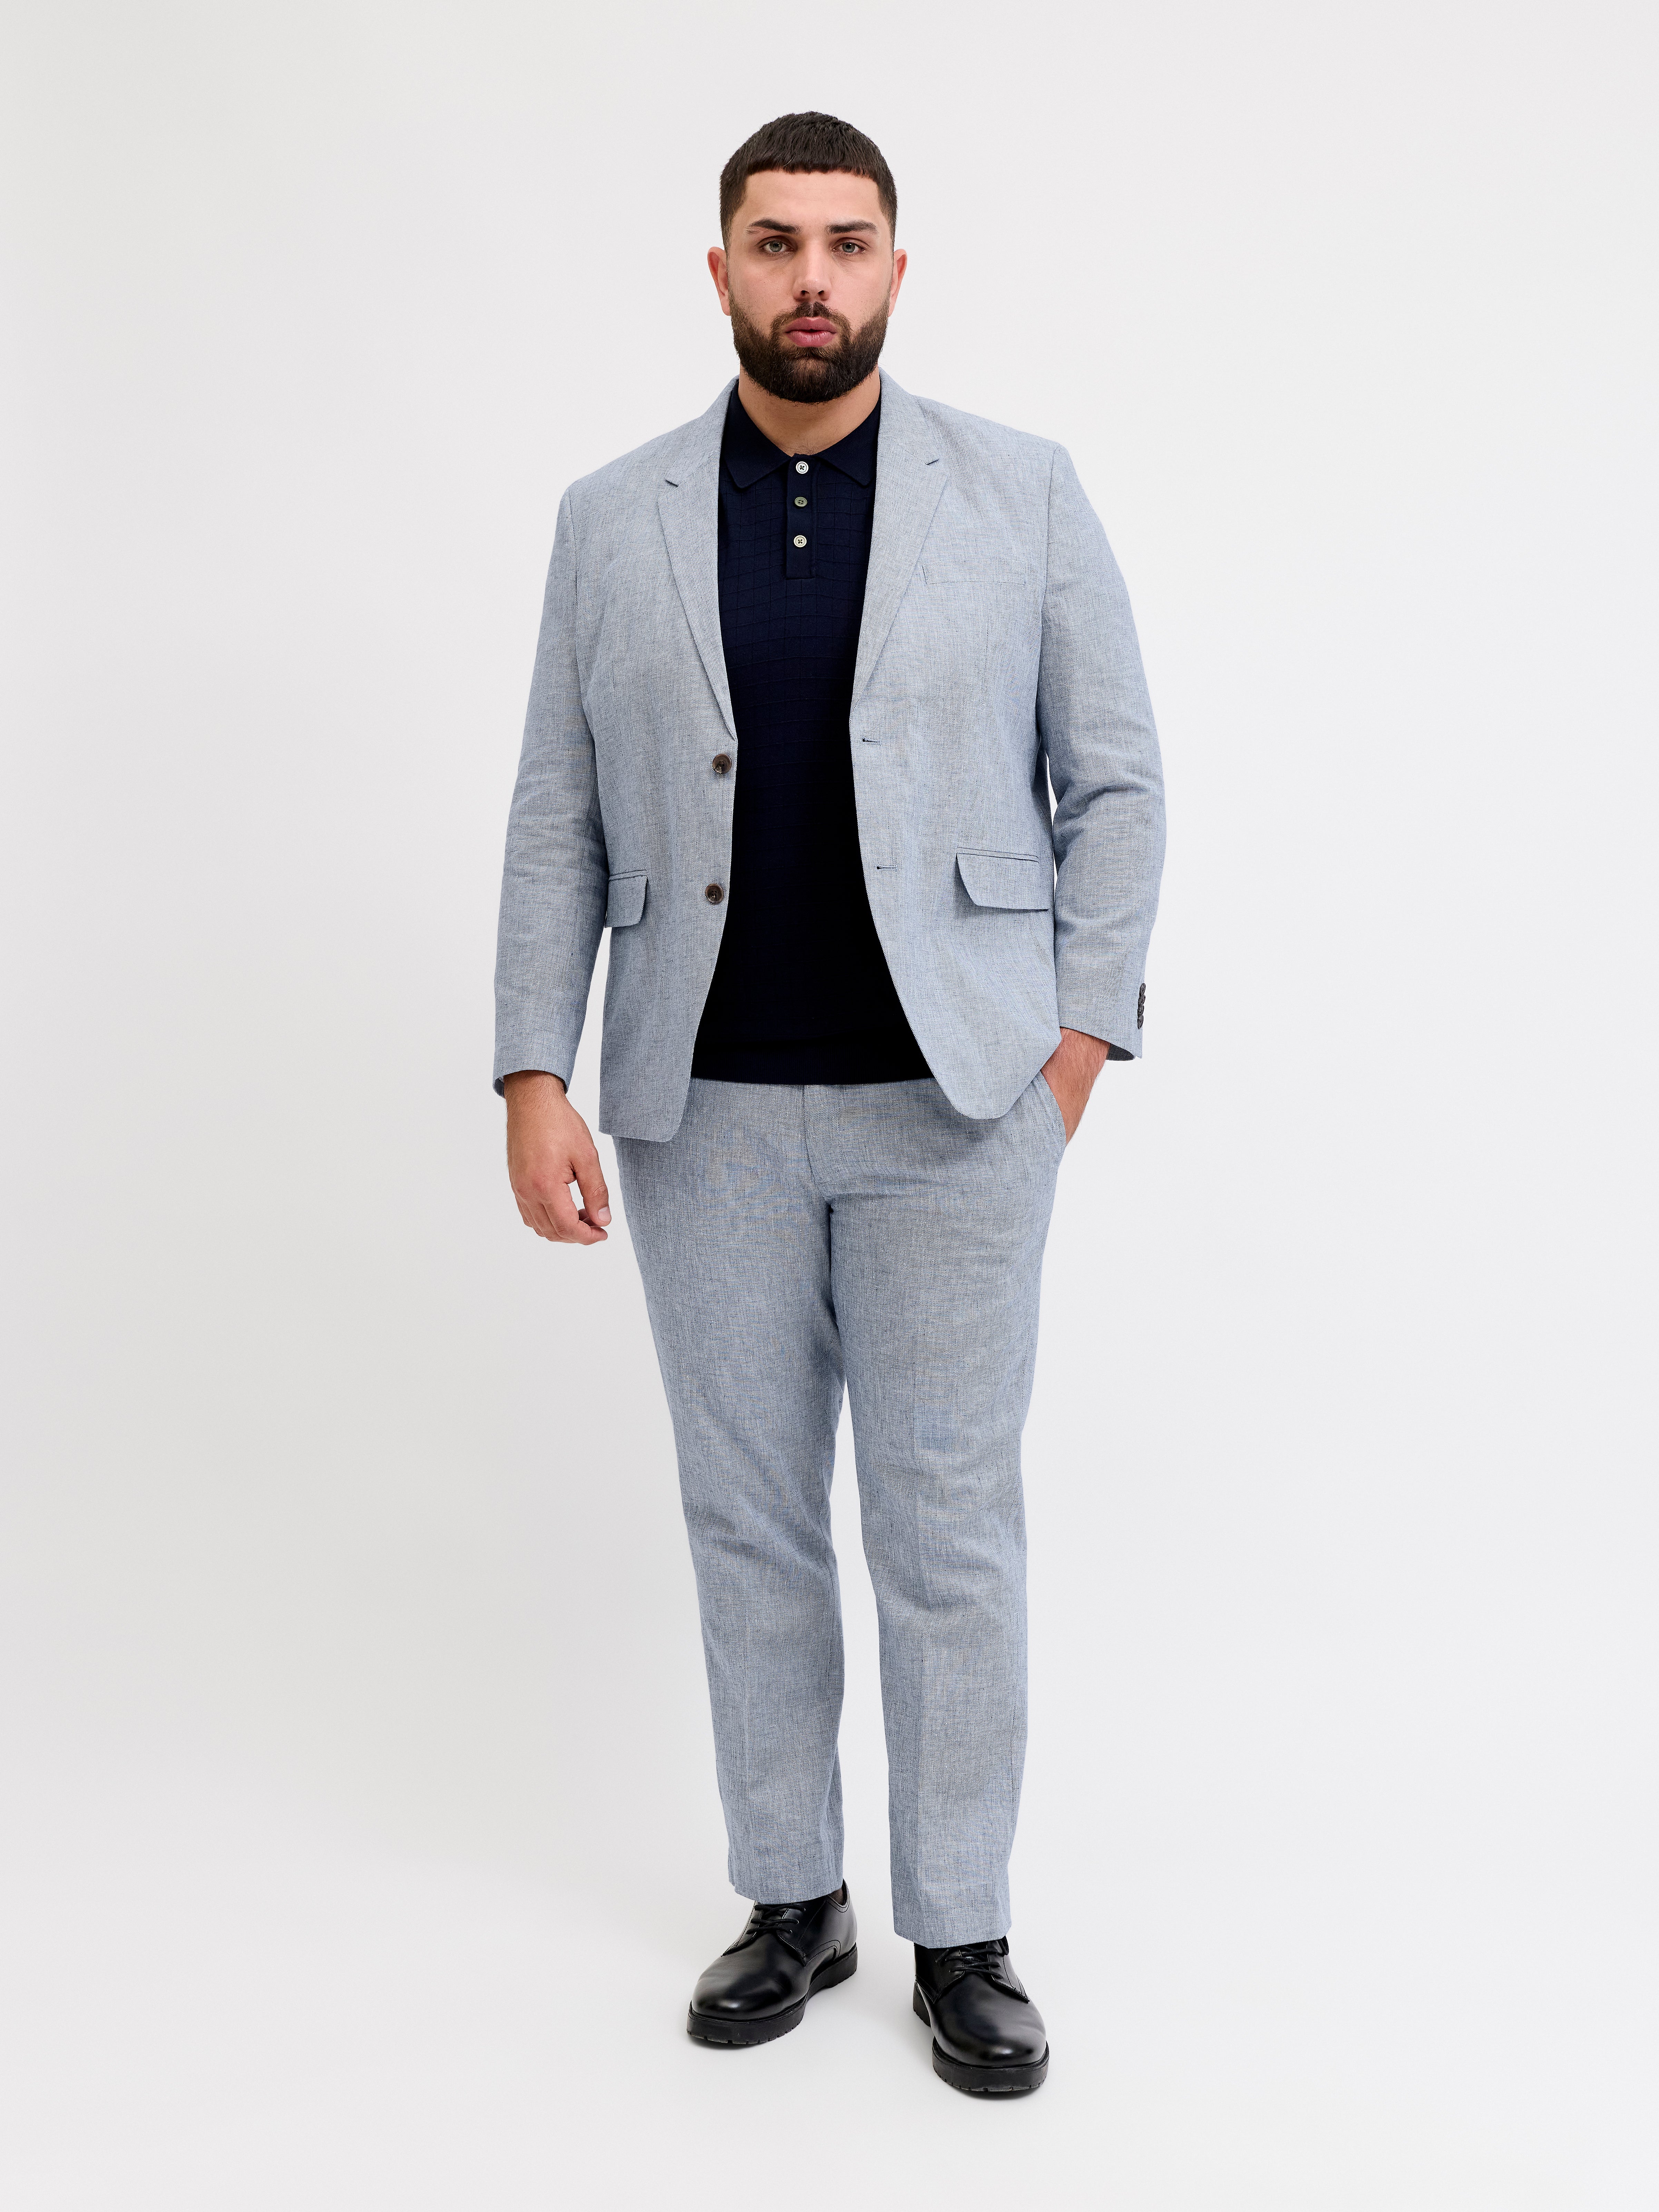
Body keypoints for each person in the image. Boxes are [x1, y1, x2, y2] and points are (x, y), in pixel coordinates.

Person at [494, 111, 1164, 2097]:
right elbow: (554, 811)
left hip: (957, 1109)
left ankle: (962, 1930)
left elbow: (1118, 781)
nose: (812, 276)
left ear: (895, 268)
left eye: (846, 241)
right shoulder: (610, 517)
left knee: (948, 1528)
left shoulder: (1021, 491)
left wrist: (1070, 1051)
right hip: (698, 1109)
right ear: (719, 270)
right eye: (775, 241)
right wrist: (534, 1069)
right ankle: (791, 1896)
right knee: (750, 1524)